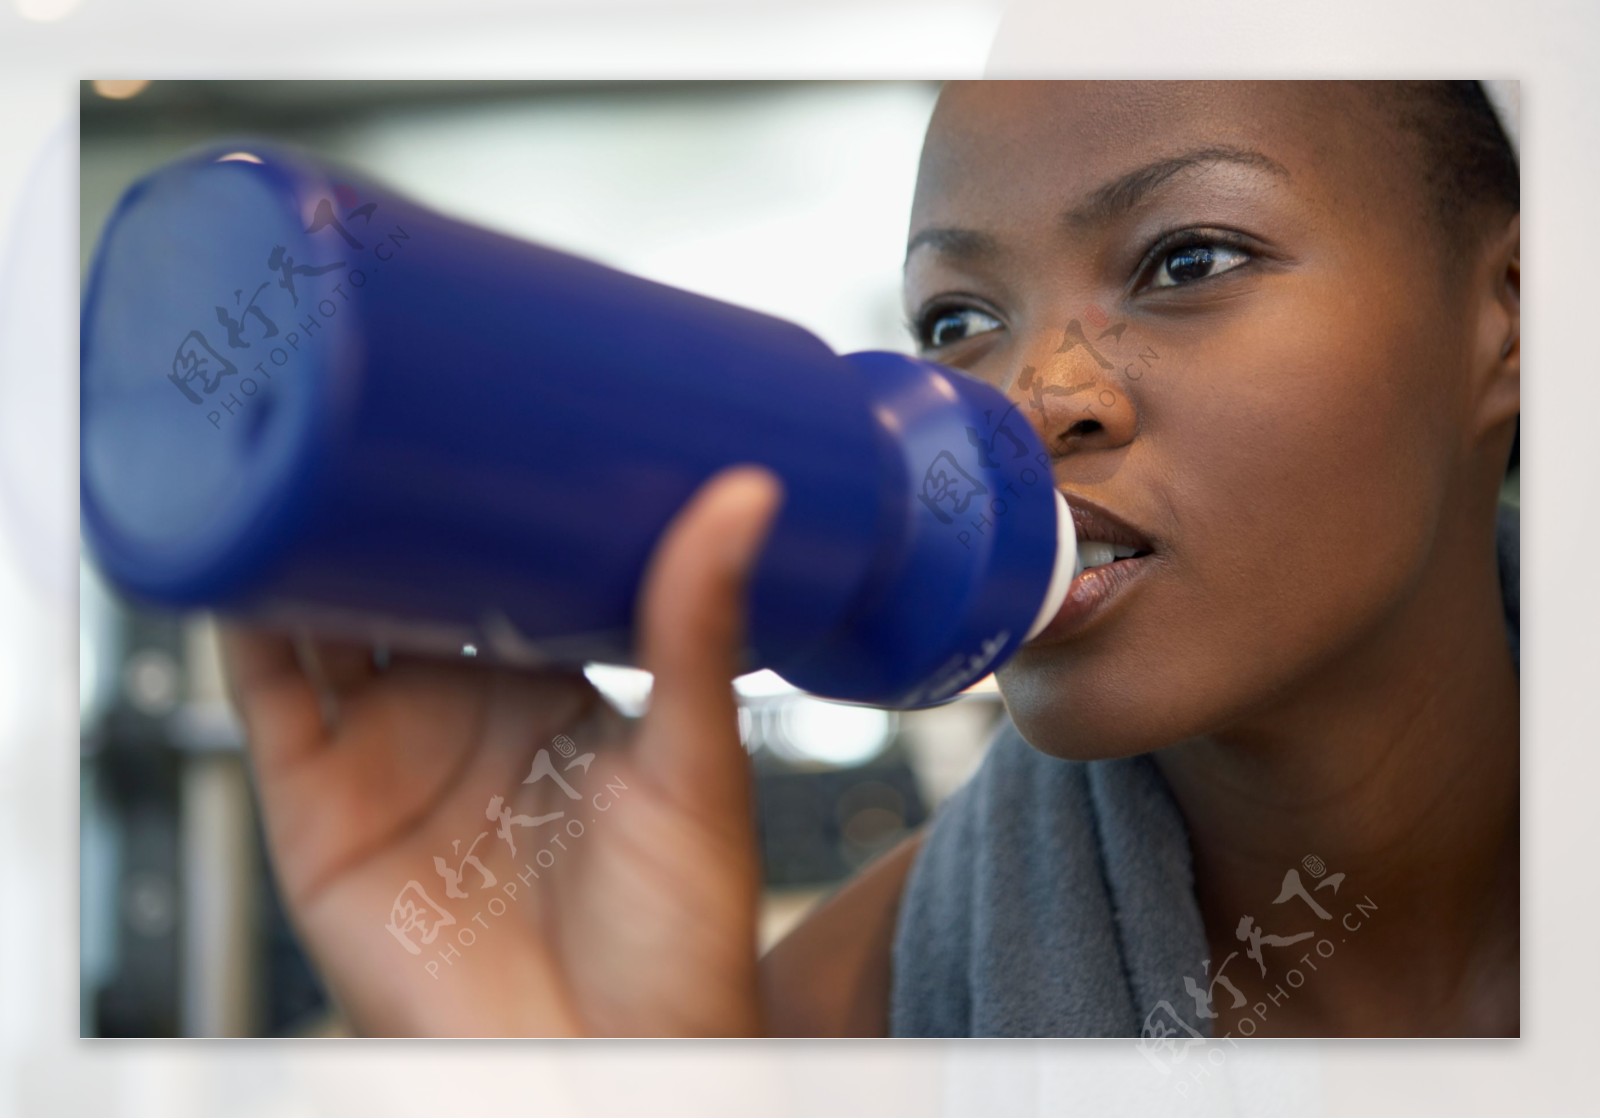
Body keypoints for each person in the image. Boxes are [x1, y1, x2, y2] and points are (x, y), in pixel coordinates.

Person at [220, 80, 1520, 1037]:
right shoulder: (826, 1026)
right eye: (958, 319)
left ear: (1514, 314)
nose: (1033, 394)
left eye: (1188, 259)